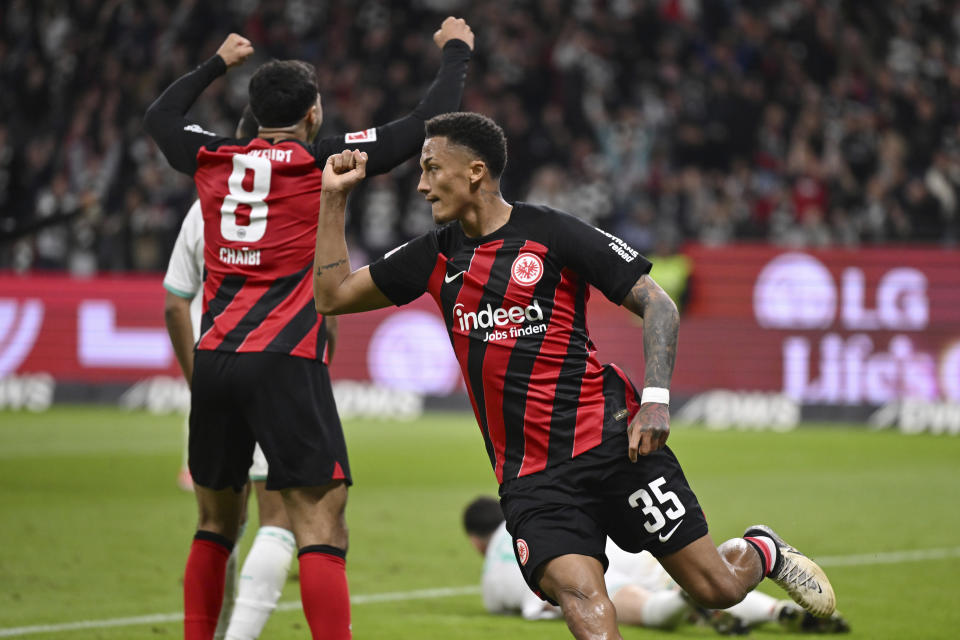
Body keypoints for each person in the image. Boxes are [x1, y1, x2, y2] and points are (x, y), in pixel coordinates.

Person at [311, 112, 836, 640]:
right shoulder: (434, 255)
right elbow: (332, 295)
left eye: (431, 168)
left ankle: (762, 550)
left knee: (716, 589)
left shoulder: (552, 233)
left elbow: (659, 305)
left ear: (474, 171)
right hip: (532, 478)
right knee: (581, 594)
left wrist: (654, 400)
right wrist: (333, 198)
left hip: (612, 443)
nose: (421, 186)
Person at [144, 20, 474, 640]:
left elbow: (161, 115)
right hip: (285, 356)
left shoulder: (213, 156)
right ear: (314, 113)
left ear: (252, 112)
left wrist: (217, 61)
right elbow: (429, 119)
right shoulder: (321, 159)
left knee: (215, 525)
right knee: (321, 527)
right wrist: (458, 48)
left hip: (214, 356)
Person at [162, 107, 302, 640]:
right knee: (284, 520)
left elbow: (175, 302)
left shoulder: (205, 204)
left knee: (217, 526)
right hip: (276, 369)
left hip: (214, 372)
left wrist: (199, 383)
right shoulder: (298, 198)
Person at [462, 496, 850, 635]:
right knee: (712, 584)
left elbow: (503, 603)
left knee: (653, 610)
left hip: (569, 572)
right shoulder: (534, 517)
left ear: (477, 541)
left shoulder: (492, 576)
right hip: (605, 544)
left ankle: (686, 600)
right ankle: (776, 609)